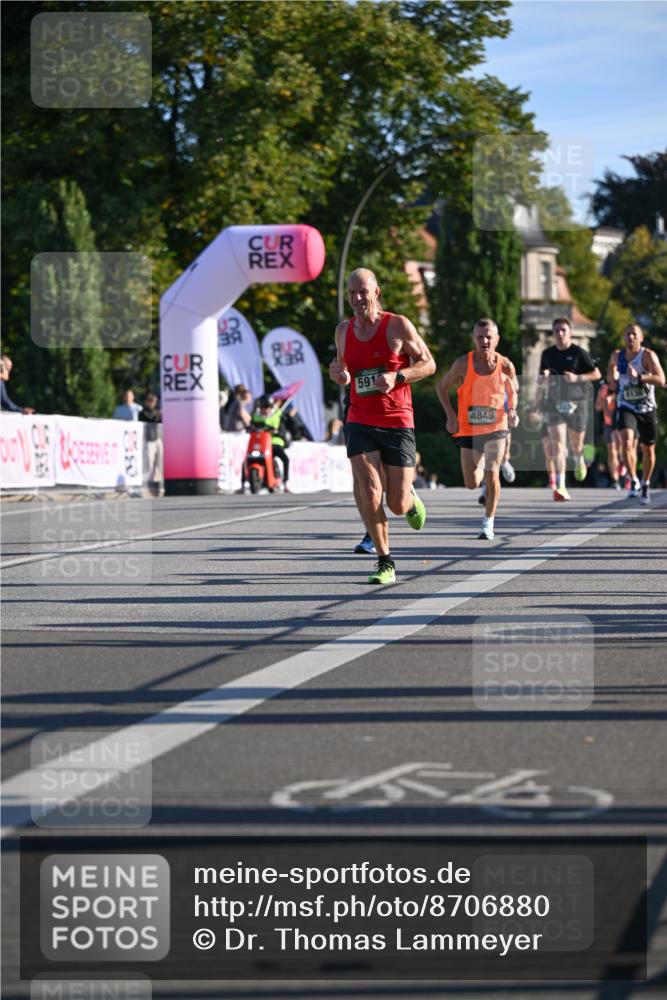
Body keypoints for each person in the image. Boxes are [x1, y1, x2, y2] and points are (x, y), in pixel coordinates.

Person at [329, 267, 435, 584]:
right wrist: (340, 376)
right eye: (352, 293)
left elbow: (429, 364)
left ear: (376, 292)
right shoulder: (342, 331)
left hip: (397, 419)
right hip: (359, 417)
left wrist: (398, 376)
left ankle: (409, 497)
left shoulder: (397, 325)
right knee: (369, 489)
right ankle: (384, 560)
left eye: (363, 292)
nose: (358, 298)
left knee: (397, 504)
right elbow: (345, 370)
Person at [437, 318, 518, 540]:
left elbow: (513, 391)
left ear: (497, 339)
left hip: (496, 427)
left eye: (489, 337)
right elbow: (442, 387)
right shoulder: (463, 363)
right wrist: (451, 416)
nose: (484, 341)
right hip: (469, 429)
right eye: (480, 337)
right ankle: (483, 477)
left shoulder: (505, 364)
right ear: (474, 339)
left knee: (493, 473)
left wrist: (512, 411)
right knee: (471, 483)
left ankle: (488, 523)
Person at [537, 317, 601, 501]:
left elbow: (596, 374)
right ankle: (561, 486)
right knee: (557, 445)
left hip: (577, 404)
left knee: (576, 445)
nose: (560, 333)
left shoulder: (580, 353)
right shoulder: (547, 354)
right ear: (553, 333)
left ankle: (579, 456)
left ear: (570, 332)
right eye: (556, 330)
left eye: (563, 330)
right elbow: (542, 375)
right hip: (555, 404)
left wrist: (577, 378)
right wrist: (543, 378)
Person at [608, 323, 665, 505]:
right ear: (624, 337)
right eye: (627, 334)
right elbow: (611, 371)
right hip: (626, 405)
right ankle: (633, 480)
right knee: (626, 441)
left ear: (641, 338)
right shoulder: (618, 356)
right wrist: (613, 379)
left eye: (634, 334)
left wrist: (640, 377)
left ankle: (645, 483)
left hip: (646, 407)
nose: (630, 337)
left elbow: (661, 379)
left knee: (648, 449)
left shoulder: (647, 356)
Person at [251, 394, 290, 489]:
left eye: (267, 407)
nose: (265, 410)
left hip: (274, 442)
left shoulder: (277, 415)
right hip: (260, 444)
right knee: (247, 459)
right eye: (263, 408)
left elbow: (282, 429)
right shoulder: (256, 416)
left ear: (271, 407)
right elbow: (251, 425)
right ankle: (243, 484)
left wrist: (277, 431)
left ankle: (285, 483)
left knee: (285, 459)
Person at [594, 381, 623, 489]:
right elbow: (597, 407)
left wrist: (614, 399)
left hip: (621, 423)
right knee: (611, 451)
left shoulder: (623, 385)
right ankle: (615, 480)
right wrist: (603, 400)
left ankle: (623, 463)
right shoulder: (603, 389)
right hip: (608, 424)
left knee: (622, 450)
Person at [139, 392, 163, 495]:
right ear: (147, 402)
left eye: (154, 402)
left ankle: (159, 484)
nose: (152, 404)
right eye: (151, 402)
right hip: (149, 440)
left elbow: (160, 422)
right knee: (149, 462)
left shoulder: (157, 412)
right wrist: (157, 416)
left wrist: (160, 415)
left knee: (160, 461)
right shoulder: (142, 413)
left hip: (158, 439)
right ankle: (147, 484)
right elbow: (149, 420)